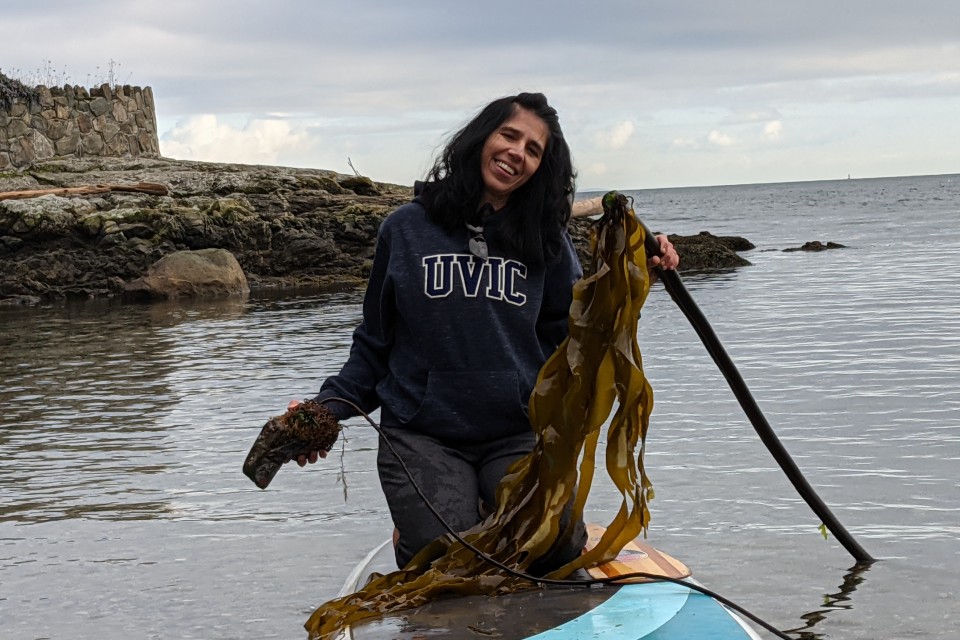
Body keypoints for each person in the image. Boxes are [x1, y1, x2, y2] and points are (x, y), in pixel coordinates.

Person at [291, 92, 679, 571]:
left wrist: (636, 270)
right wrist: (324, 410)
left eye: (534, 150)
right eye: (509, 135)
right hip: (422, 433)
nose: (518, 152)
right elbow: (375, 343)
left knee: (553, 546)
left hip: (515, 429)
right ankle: (412, 532)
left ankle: (486, 507)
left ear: (541, 168)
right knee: (451, 556)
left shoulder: (546, 239)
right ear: (482, 138)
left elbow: (577, 336)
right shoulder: (406, 229)